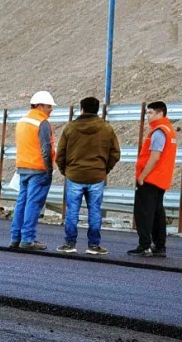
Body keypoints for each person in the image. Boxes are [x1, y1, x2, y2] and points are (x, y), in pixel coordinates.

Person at [55, 96, 120, 255]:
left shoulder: (70, 128)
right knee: (95, 211)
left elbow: (60, 155)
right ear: (97, 109)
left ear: (81, 109)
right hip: (96, 176)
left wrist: (66, 171)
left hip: (74, 176)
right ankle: (94, 245)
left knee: (72, 211)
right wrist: (104, 170)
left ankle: (70, 243)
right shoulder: (106, 128)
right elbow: (115, 153)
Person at [130, 101, 178, 257]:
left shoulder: (158, 132)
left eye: (150, 113)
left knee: (144, 213)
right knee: (158, 213)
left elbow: (155, 156)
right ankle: (159, 246)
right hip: (161, 179)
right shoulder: (169, 130)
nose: (147, 116)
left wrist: (142, 176)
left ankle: (144, 246)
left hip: (150, 178)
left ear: (160, 113)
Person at [9, 91, 56, 251]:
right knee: (33, 204)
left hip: (22, 168)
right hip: (38, 168)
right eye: (49, 106)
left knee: (21, 202)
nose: (51, 110)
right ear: (40, 106)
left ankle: (16, 237)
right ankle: (28, 239)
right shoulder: (42, 123)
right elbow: (46, 148)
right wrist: (49, 170)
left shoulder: (22, 121)